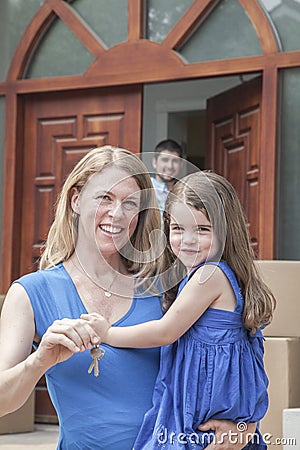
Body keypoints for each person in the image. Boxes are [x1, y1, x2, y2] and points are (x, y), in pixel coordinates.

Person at [0, 147, 254, 450]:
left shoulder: (167, 287)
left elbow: (234, 349)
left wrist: (245, 426)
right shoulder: (30, 293)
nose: (117, 214)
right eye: (104, 197)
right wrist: (39, 361)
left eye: (130, 203)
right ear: (76, 200)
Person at [84, 171, 276, 449]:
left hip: (201, 421)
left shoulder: (208, 276)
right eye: (177, 228)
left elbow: (165, 332)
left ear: (226, 230)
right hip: (209, 420)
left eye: (202, 229)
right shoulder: (202, 276)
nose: (188, 240)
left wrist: (108, 333)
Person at [151, 139, 184, 213]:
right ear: (154, 162)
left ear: (181, 164)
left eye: (175, 161)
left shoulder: (184, 192)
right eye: (165, 160)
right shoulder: (144, 189)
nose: (170, 166)